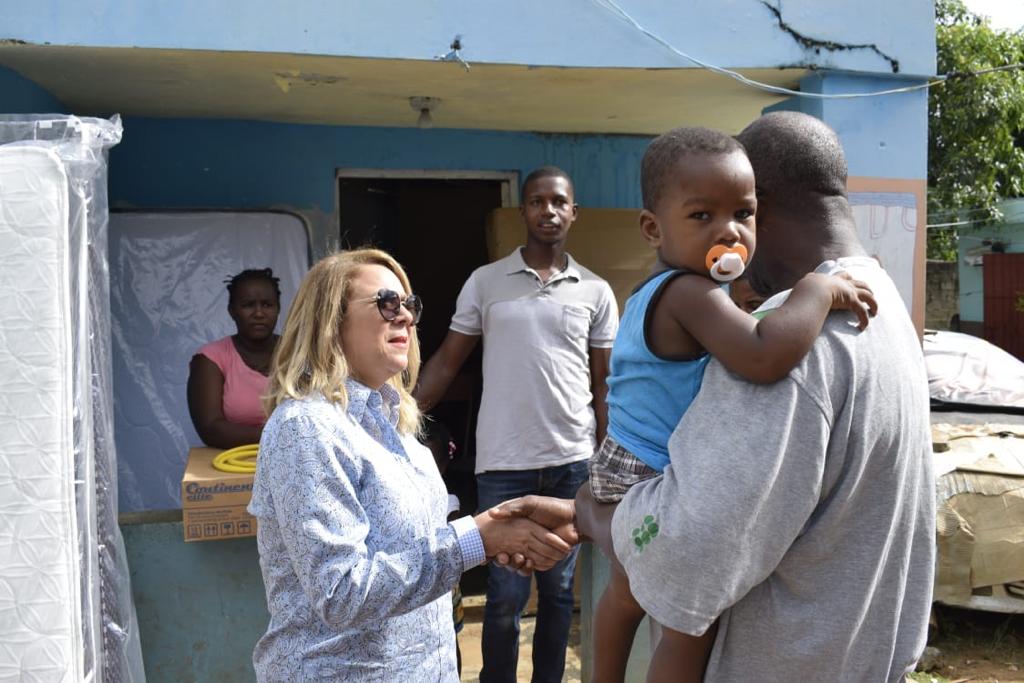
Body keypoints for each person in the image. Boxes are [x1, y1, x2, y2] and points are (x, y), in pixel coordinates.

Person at [563, 111, 935, 682]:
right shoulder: (879, 302)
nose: (728, 236)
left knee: (672, 619)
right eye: (705, 213)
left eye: (741, 212)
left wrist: (595, 515)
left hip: (786, 662)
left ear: (761, 202)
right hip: (852, 659)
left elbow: (686, 554)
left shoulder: (809, 337)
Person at [246, 248, 577, 681]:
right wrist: (475, 539)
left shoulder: (397, 428)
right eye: (386, 303)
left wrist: (496, 536)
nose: (404, 316)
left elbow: (420, 546)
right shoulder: (307, 428)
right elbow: (341, 592)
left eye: (409, 305)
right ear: (331, 319)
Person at [415, 166, 619, 682]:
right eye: (536, 202)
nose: (547, 211)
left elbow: (605, 386)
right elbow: (446, 362)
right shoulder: (486, 283)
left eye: (558, 202)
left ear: (574, 212)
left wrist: (611, 459)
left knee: (557, 593)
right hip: (504, 462)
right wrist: (397, 418)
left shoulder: (595, 291)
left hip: (573, 460)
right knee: (504, 596)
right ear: (523, 211)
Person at [187, 268, 281, 448]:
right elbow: (211, 429)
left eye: (267, 305)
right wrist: (282, 435)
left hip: (295, 467)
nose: (259, 313)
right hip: (231, 470)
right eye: (248, 305)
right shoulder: (211, 359)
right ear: (231, 310)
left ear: (278, 308)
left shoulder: (298, 352)